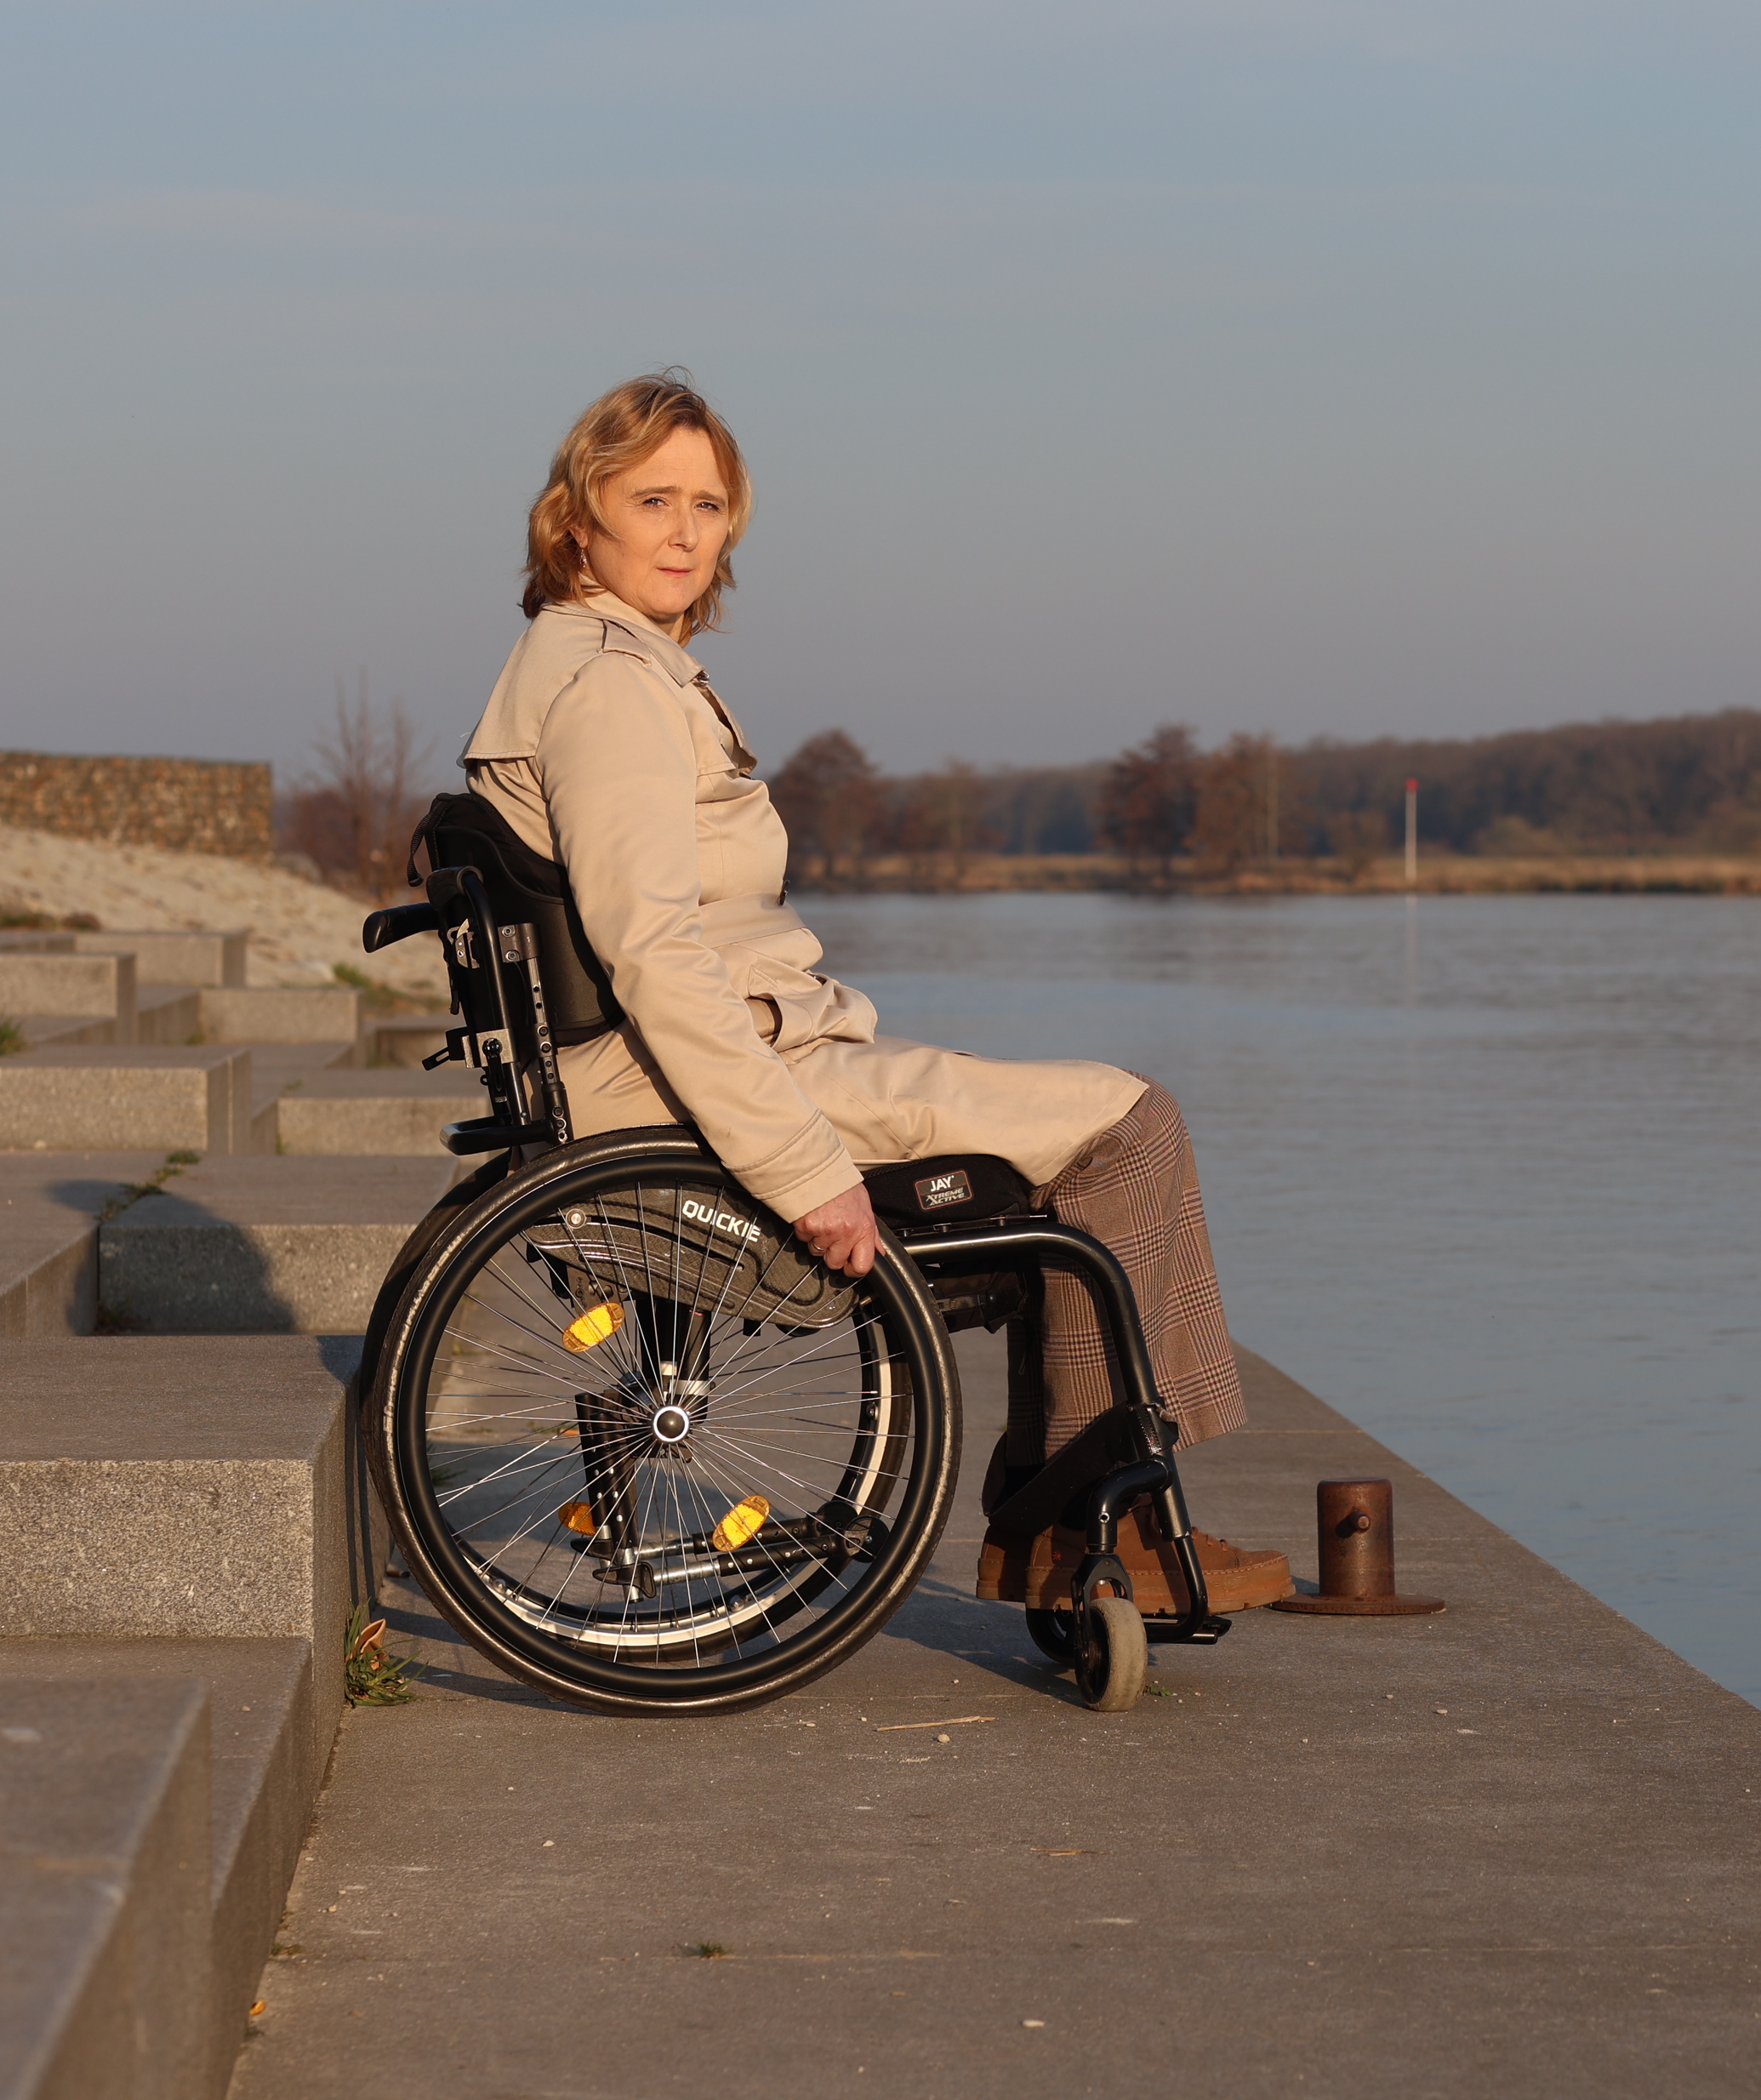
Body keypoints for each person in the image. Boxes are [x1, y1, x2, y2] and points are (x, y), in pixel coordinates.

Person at [453, 371, 1284, 1613]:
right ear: (579, 519)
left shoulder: (599, 666)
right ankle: (1083, 1526)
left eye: (708, 505)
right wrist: (805, 1171)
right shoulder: (613, 687)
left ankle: (1062, 1515)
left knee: (1088, 1137)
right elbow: (654, 954)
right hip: (699, 1092)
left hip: (699, 1067)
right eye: (652, 501)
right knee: (1128, 1127)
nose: (685, 533)